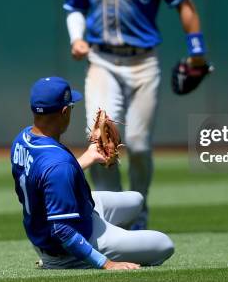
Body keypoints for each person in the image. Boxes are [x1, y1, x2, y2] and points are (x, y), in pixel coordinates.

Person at [63, 0, 208, 229]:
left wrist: (197, 51)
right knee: (102, 142)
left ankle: (138, 213)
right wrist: (77, 38)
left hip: (143, 64)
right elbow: (73, 8)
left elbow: (184, 3)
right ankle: (109, 218)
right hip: (103, 61)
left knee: (139, 146)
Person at [10, 76, 174, 270]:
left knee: (136, 201)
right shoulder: (59, 165)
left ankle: (113, 239)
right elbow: (62, 230)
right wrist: (107, 264)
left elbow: (46, 179)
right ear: (64, 112)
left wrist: (87, 158)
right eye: (71, 107)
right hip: (64, 244)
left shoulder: (22, 138)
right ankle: (71, 259)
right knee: (164, 245)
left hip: (48, 225)